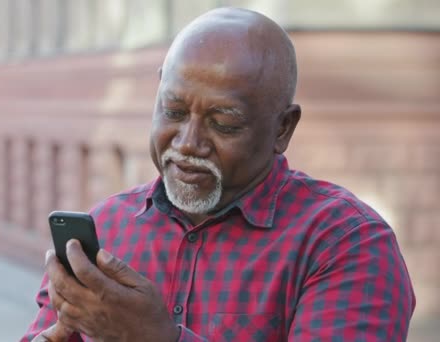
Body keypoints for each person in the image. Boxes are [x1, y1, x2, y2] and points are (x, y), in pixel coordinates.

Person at [21, 7, 415, 342]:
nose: (189, 142)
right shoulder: (108, 226)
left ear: (283, 129)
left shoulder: (345, 242)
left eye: (223, 123)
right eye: (173, 113)